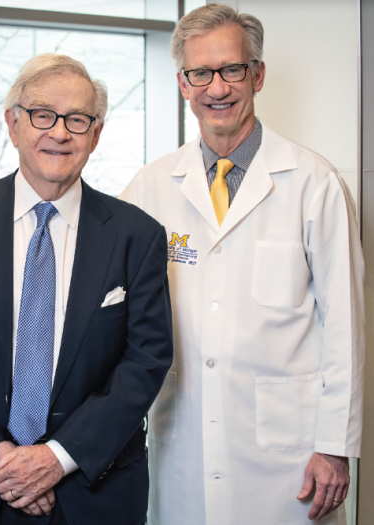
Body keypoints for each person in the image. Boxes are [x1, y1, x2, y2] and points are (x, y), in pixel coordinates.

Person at [120, 5, 365, 525]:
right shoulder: (151, 186)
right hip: (180, 443)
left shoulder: (313, 182)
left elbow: (345, 325)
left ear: (257, 74)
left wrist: (335, 444)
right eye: (200, 73)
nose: (217, 88)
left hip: (290, 457)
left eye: (231, 69)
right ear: (183, 84)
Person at [0, 53, 173, 525]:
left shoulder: (137, 235)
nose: (59, 132)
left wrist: (56, 458)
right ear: (13, 124)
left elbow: (146, 361)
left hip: (92, 490)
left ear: (95, 134)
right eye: (42, 115)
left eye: (77, 119)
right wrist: (0, 459)